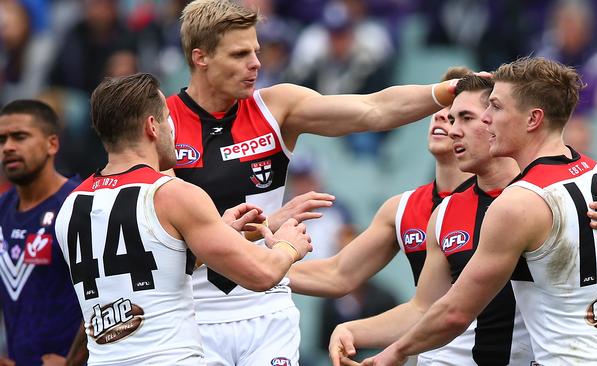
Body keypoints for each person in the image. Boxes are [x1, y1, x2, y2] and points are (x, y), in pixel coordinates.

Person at [168, 1, 458, 364]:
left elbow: (374, 109)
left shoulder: (276, 106)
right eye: (240, 54)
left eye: (256, 51)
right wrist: (264, 227)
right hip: (194, 314)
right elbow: (156, 239)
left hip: (267, 309)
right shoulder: (164, 124)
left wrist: (446, 92)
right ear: (201, 58)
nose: (256, 63)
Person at [351, 57, 597, 366]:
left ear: (532, 119)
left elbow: (455, 312)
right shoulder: (593, 173)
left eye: (496, 107)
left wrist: (396, 351)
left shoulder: (517, 202)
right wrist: (589, 303)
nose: (487, 118)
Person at [54, 73, 313, 365]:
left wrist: (219, 232)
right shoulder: (173, 194)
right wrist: (289, 246)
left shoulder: (71, 204)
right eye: (167, 120)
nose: (172, 131)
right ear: (152, 126)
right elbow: (261, 275)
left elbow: (144, 268)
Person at [329, 75, 534, 365]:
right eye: (450, 118)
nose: (451, 130)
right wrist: (352, 328)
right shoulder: (443, 213)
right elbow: (423, 308)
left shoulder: (545, 197)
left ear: (496, 120)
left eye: (464, 118)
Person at [288, 66, 472, 299]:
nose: (441, 115)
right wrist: (249, 270)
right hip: (436, 332)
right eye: (440, 107)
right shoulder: (402, 209)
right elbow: (337, 273)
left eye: (462, 114)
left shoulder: (506, 201)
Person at [0, 100, 82, 365]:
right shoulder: (2, 209)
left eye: (20, 137)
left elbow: (111, 294)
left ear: (52, 144)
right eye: (2, 140)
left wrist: (73, 360)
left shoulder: (80, 204)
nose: (8, 147)